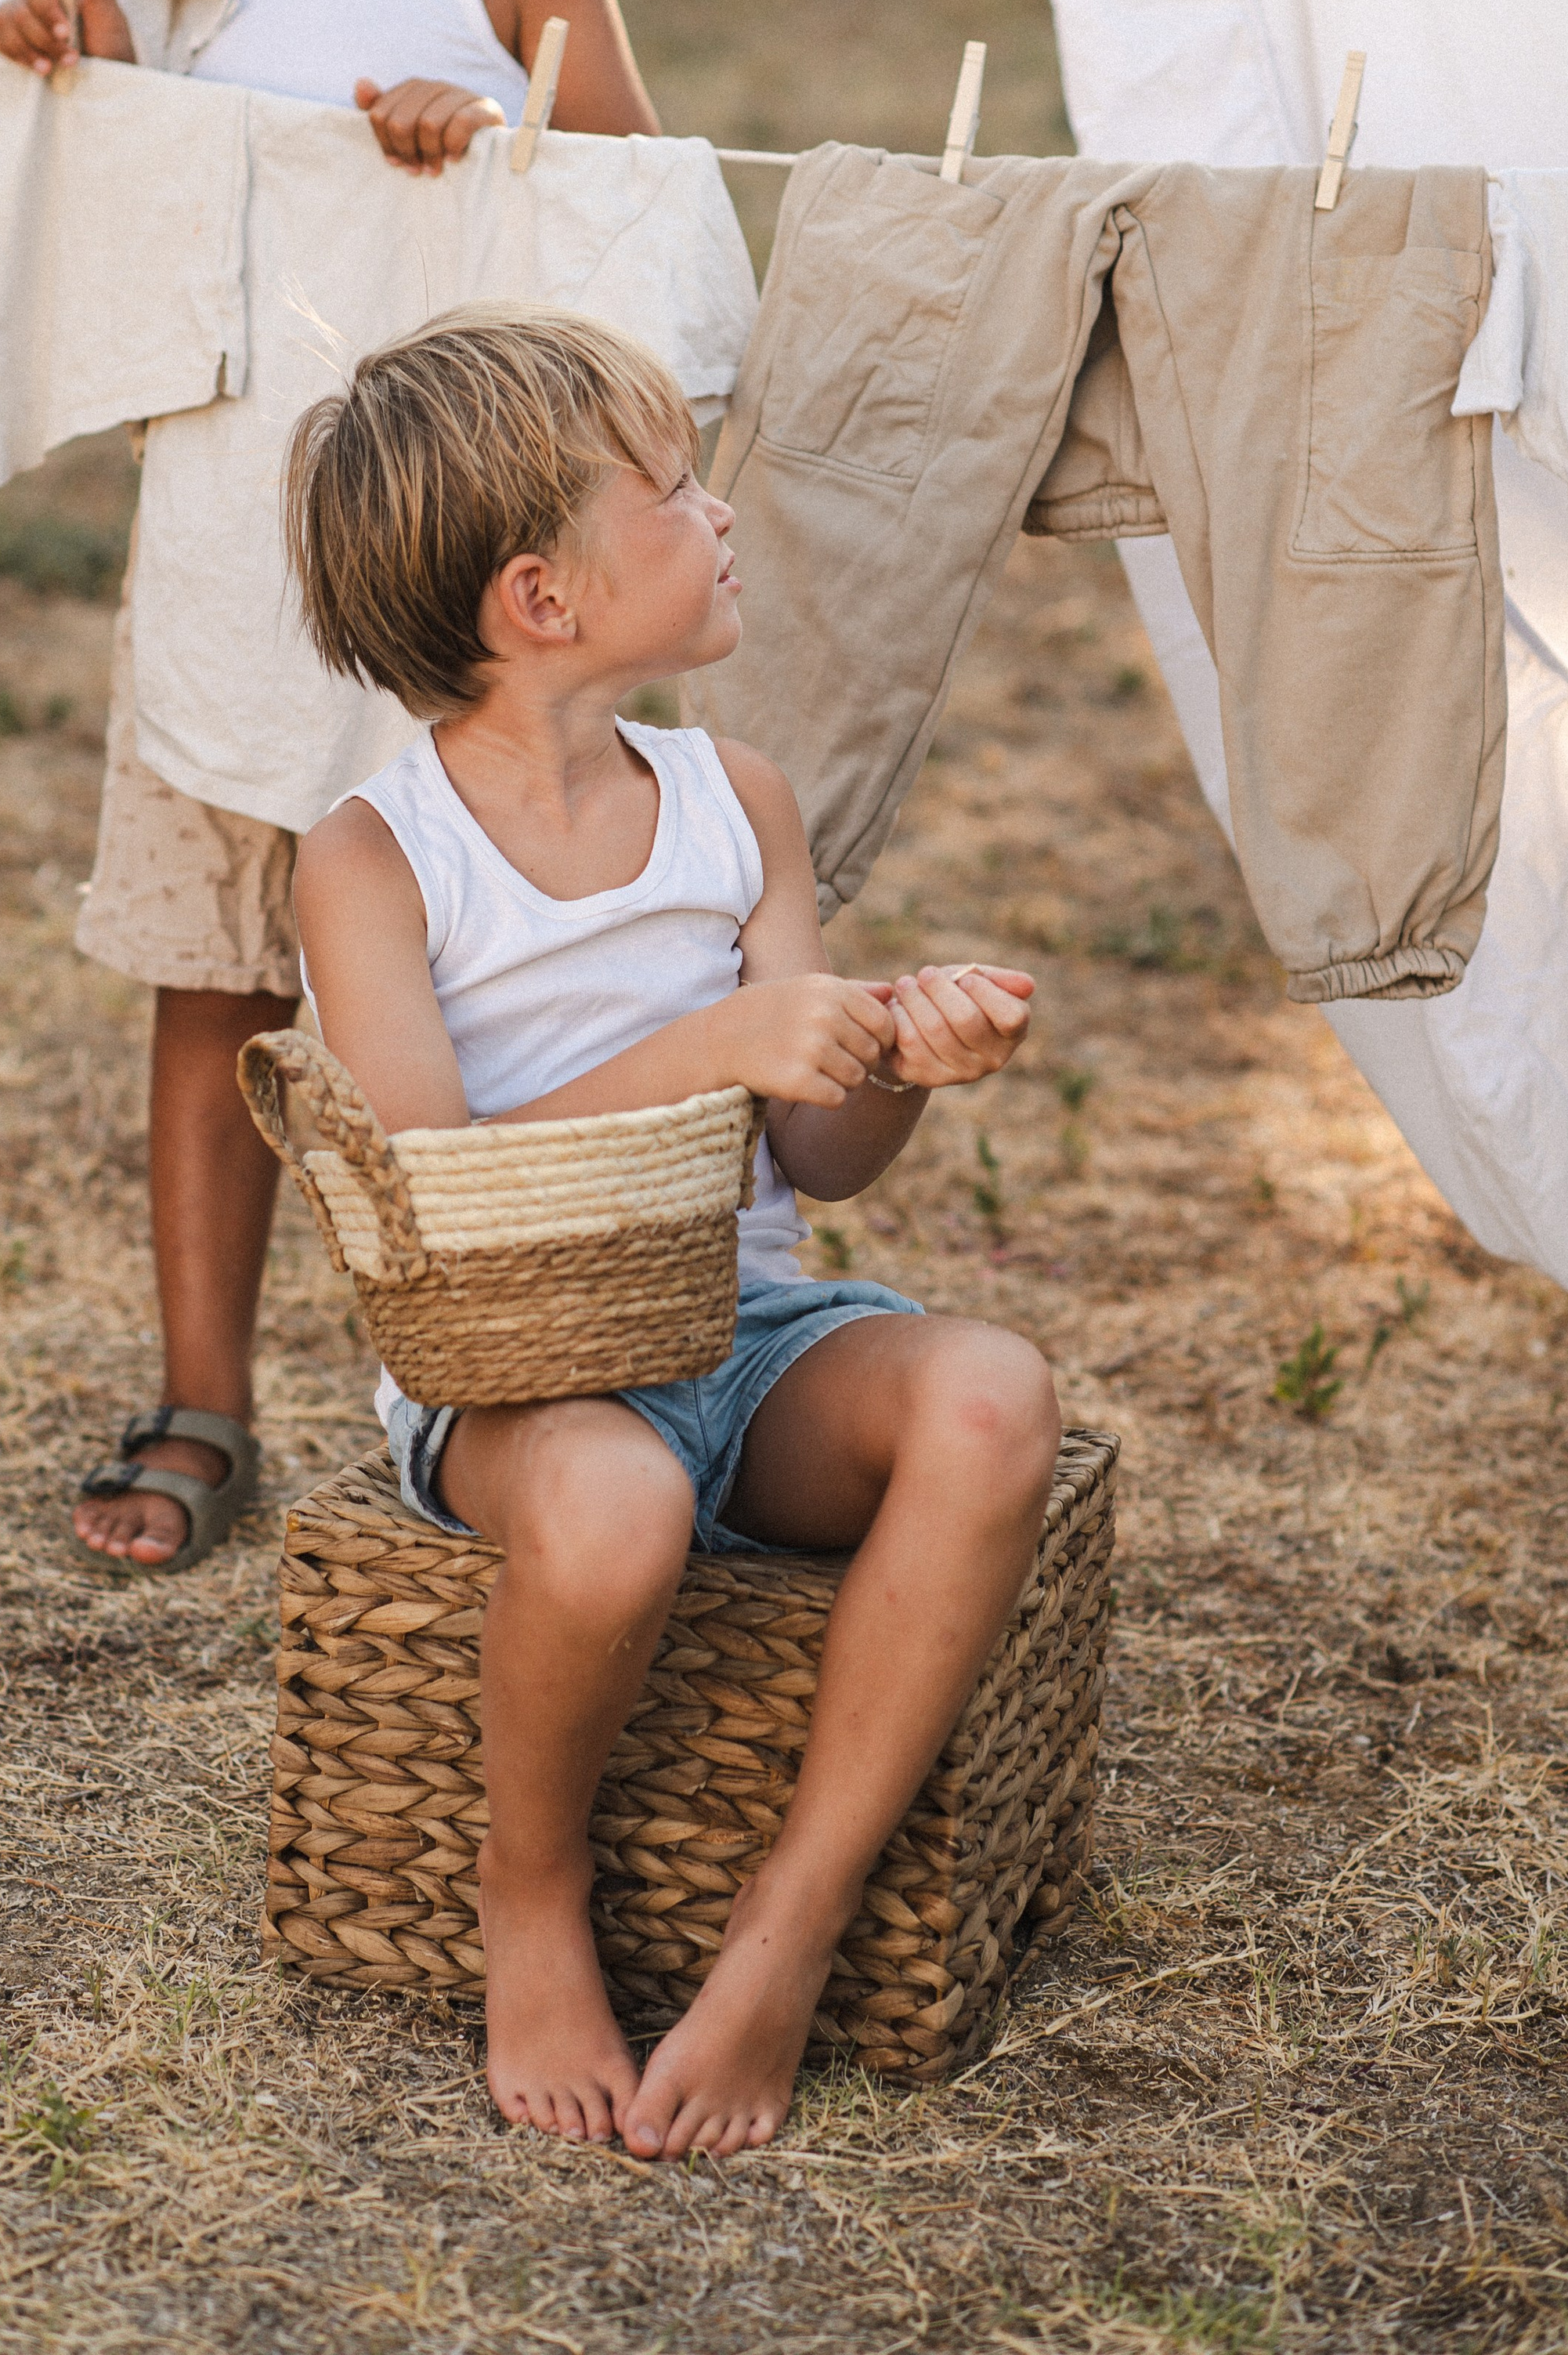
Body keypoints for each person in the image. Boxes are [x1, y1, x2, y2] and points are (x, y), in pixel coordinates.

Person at [285, 309, 1061, 2162]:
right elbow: (426, 1197)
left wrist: (898, 1059)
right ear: (542, 596)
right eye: (679, 488)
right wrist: (697, 1046)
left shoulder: (739, 806)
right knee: (617, 1505)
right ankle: (527, 1889)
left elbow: (821, 1153)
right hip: (515, 1383)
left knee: (988, 1398)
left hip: (750, 1335)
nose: (722, 515)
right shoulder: (374, 858)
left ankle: (781, 1932)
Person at [0, 0, 661, 1570]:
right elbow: (79, 123)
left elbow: (641, 223)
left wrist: (500, 139)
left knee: (477, 1011)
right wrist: (53, 39)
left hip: (463, 593)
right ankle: (203, 1397)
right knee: (214, 989)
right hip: (232, 569)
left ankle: (513, 1400)